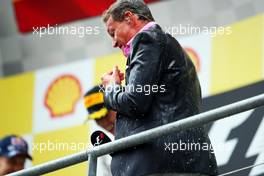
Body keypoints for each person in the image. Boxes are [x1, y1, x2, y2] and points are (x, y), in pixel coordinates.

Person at [100, 0, 218, 176]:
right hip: (179, 163)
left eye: (113, 32)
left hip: (162, 165)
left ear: (129, 18)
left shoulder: (148, 39)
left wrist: (111, 88)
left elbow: (135, 102)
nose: (114, 43)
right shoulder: (163, 44)